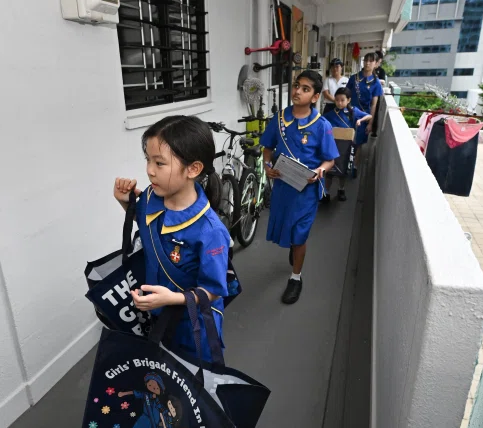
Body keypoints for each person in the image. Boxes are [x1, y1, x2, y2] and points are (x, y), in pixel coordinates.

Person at [113, 116, 231, 362]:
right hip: (156, 318)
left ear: (193, 169)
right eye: (148, 159)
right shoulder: (148, 198)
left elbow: (212, 291)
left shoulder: (211, 231)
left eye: (159, 163)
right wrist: (126, 204)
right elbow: (150, 232)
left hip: (193, 328)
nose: (149, 170)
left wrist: (173, 299)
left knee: (192, 390)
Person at [260, 70, 339, 304]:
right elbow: (267, 148)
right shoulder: (278, 119)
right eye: (297, 86)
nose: (297, 91)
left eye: (305, 89)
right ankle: (294, 249)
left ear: (315, 97)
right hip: (283, 187)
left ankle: (296, 277)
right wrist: (266, 166)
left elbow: (330, 159)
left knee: (300, 235)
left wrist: (319, 171)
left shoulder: (321, 125)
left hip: (306, 191)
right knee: (290, 230)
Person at [323, 87, 371, 200]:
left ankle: (341, 190)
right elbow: (321, 122)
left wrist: (360, 120)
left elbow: (369, 115)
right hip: (333, 144)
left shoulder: (354, 111)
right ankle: (326, 193)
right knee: (329, 171)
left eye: (342, 100)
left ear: (348, 100)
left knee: (343, 169)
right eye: (337, 100)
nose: (339, 102)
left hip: (347, 146)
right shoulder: (330, 114)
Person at [347, 52, 384, 163]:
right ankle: (343, 164)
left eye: (371, 61)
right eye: (366, 60)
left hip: (364, 117)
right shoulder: (354, 78)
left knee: (358, 143)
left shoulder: (376, 83)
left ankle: (354, 165)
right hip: (349, 114)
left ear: (376, 64)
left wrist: (370, 123)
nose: (367, 63)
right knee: (346, 139)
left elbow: (374, 104)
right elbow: (346, 95)